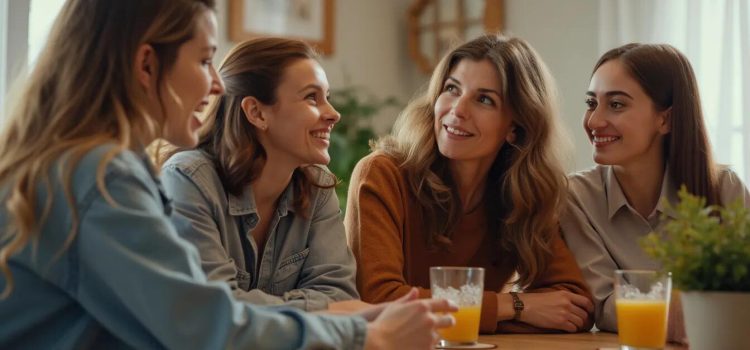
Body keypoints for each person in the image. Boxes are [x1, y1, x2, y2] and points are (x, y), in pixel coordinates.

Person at [0, 0, 456, 348]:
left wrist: (351, 321)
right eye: (203, 61)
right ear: (145, 65)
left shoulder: (81, 163)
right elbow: (202, 325)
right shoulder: (100, 176)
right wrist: (362, 336)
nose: (217, 85)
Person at [346, 34, 595, 334]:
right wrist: (514, 307)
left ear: (515, 128)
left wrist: (487, 316)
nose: (457, 110)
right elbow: (380, 301)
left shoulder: (522, 194)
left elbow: (574, 307)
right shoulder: (382, 175)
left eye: (484, 99)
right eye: (452, 89)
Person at [560, 43, 750, 341]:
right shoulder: (576, 197)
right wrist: (705, 308)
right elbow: (606, 306)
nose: (594, 121)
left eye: (617, 104)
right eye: (591, 103)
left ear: (666, 119)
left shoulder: (724, 189)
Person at [160, 37, 359, 312]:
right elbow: (213, 311)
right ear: (256, 113)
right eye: (312, 97)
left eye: (328, 98)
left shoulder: (318, 186)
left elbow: (340, 295)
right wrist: (318, 310)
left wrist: (254, 309)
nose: (334, 114)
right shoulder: (187, 180)